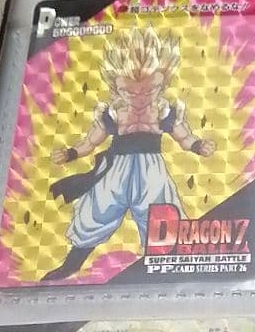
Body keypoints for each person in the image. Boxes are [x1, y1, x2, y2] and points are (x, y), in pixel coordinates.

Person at [44, 26, 216, 280]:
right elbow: (90, 142)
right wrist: (70, 153)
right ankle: (72, 264)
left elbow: (183, 137)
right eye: (130, 91)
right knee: (97, 212)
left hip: (151, 170)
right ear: (116, 88)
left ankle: (166, 269)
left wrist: (198, 146)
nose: (139, 97)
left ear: (162, 85)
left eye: (148, 90)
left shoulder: (163, 110)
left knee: (162, 216)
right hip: (115, 170)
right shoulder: (113, 112)